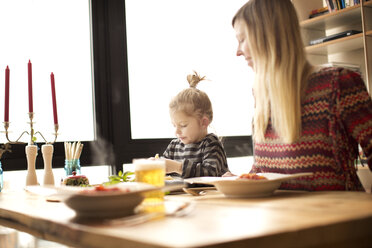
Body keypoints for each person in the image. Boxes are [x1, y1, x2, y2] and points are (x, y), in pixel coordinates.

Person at [231, 0, 372, 190]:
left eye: (242, 39)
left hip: (338, 216)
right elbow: (266, 169)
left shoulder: (338, 84)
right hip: (284, 218)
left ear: (268, 36)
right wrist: (244, 180)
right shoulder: (261, 95)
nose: (238, 52)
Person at [162, 72, 229, 178]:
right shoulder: (174, 146)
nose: (177, 132)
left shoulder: (211, 144)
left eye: (183, 125)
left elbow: (210, 173)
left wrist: (178, 167)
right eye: (174, 125)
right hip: (183, 195)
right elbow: (163, 170)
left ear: (203, 122)